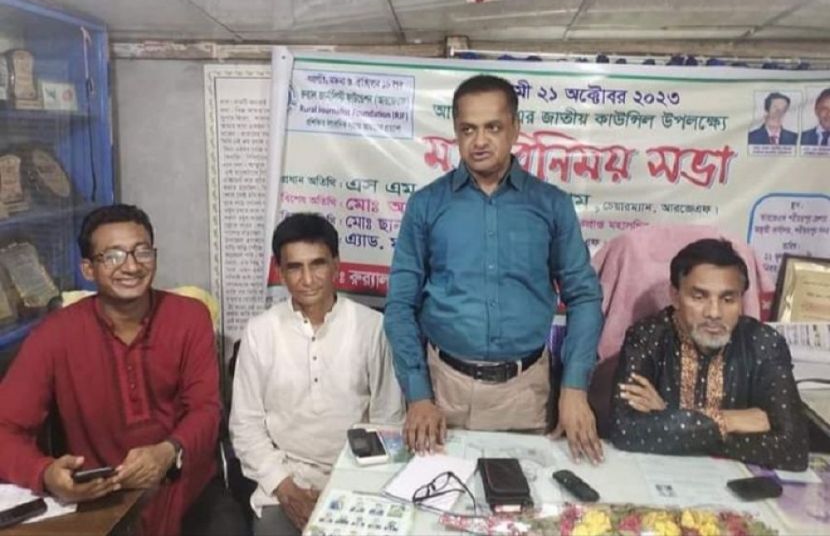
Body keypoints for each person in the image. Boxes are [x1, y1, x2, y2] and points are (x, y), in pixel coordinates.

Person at [384, 74, 604, 463]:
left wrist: (574, 387)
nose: (480, 141)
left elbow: (584, 296)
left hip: (525, 393)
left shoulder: (550, 205)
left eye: (493, 127)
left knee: (524, 499)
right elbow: (400, 305)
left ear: (515, 128)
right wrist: (418, 394)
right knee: (437, 498)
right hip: (442, 392)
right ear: (456, 132)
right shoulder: (426, 205)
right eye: (468, 129)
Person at [0, 204, 247, 535]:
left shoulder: (189, 317)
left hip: (186, 485)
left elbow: (205, 408)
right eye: (113, 256)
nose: (131, 266)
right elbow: (4, 428)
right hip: (103, 495)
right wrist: (45, 473)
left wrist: (168, 451)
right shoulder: (54, 335)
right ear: (88, 269)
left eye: (142, 252)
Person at [230, 213, 404, 536]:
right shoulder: (260, 332)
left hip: (358, 476)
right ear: (280, 272)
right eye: (295, 267)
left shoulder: (372, 328)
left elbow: (388, 420)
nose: (307, 279)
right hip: (284, 482)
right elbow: (245, 426)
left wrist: (357, 485)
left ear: (336, 265)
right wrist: (286, 489)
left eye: (318, 264)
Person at [610, 238, 808, 471]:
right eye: (699, 297)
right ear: (675, 296)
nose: (714, 313)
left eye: (728, 299)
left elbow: (793, 449)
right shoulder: (647, 337)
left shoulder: (763, 343)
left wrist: (669, 418)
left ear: (741, 300)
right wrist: (731, 420)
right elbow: (624, 430)